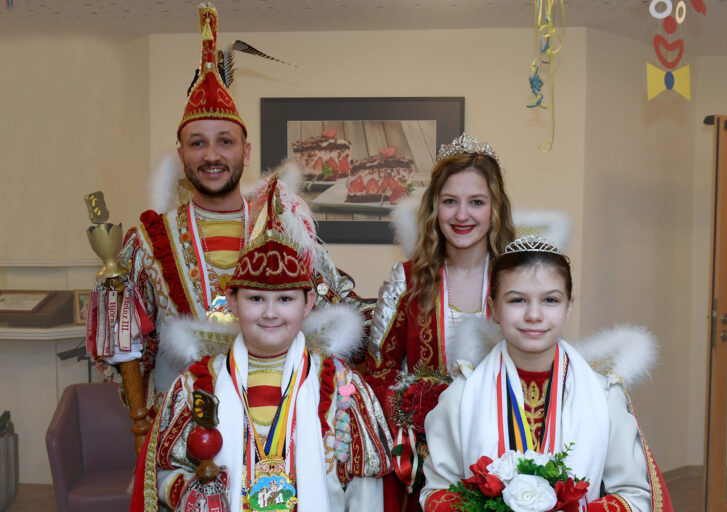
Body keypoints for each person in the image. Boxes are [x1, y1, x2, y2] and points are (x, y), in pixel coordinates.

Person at [86, 3, 371, 415]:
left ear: (246, 151)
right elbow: (132, 356)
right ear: (182, 154)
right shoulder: (149, 242)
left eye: (225, 141)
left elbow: (337, 307)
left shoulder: (284, 224)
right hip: (185, 430)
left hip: (277, 425)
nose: (212, 155)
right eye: (197, 142)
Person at [131, 175, 393, 512]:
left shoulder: (342, 388)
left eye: (285, 299)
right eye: (256, 298)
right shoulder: (196, 387)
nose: (270, 314)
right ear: (233, 302)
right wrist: (194, 490)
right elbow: (162, 473)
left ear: (309, 303)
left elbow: (365, 490)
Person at [420, 236, 673, 512]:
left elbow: (634, 496)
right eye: (517, 300)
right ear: (493, 309)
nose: (534, 314)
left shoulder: (604, 397)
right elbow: (437, 493)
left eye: (550, 300)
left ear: (568, 307)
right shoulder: (462, 395)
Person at [365, 133, 516, 511]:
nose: (462, 215)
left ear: (495, 208)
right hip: (423, 463)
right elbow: (377, 374)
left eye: (476, 202)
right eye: (450, 202)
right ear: (435, 208)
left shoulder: (517, 282)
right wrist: (412, 408)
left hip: (507, 455)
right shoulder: (407, 281)